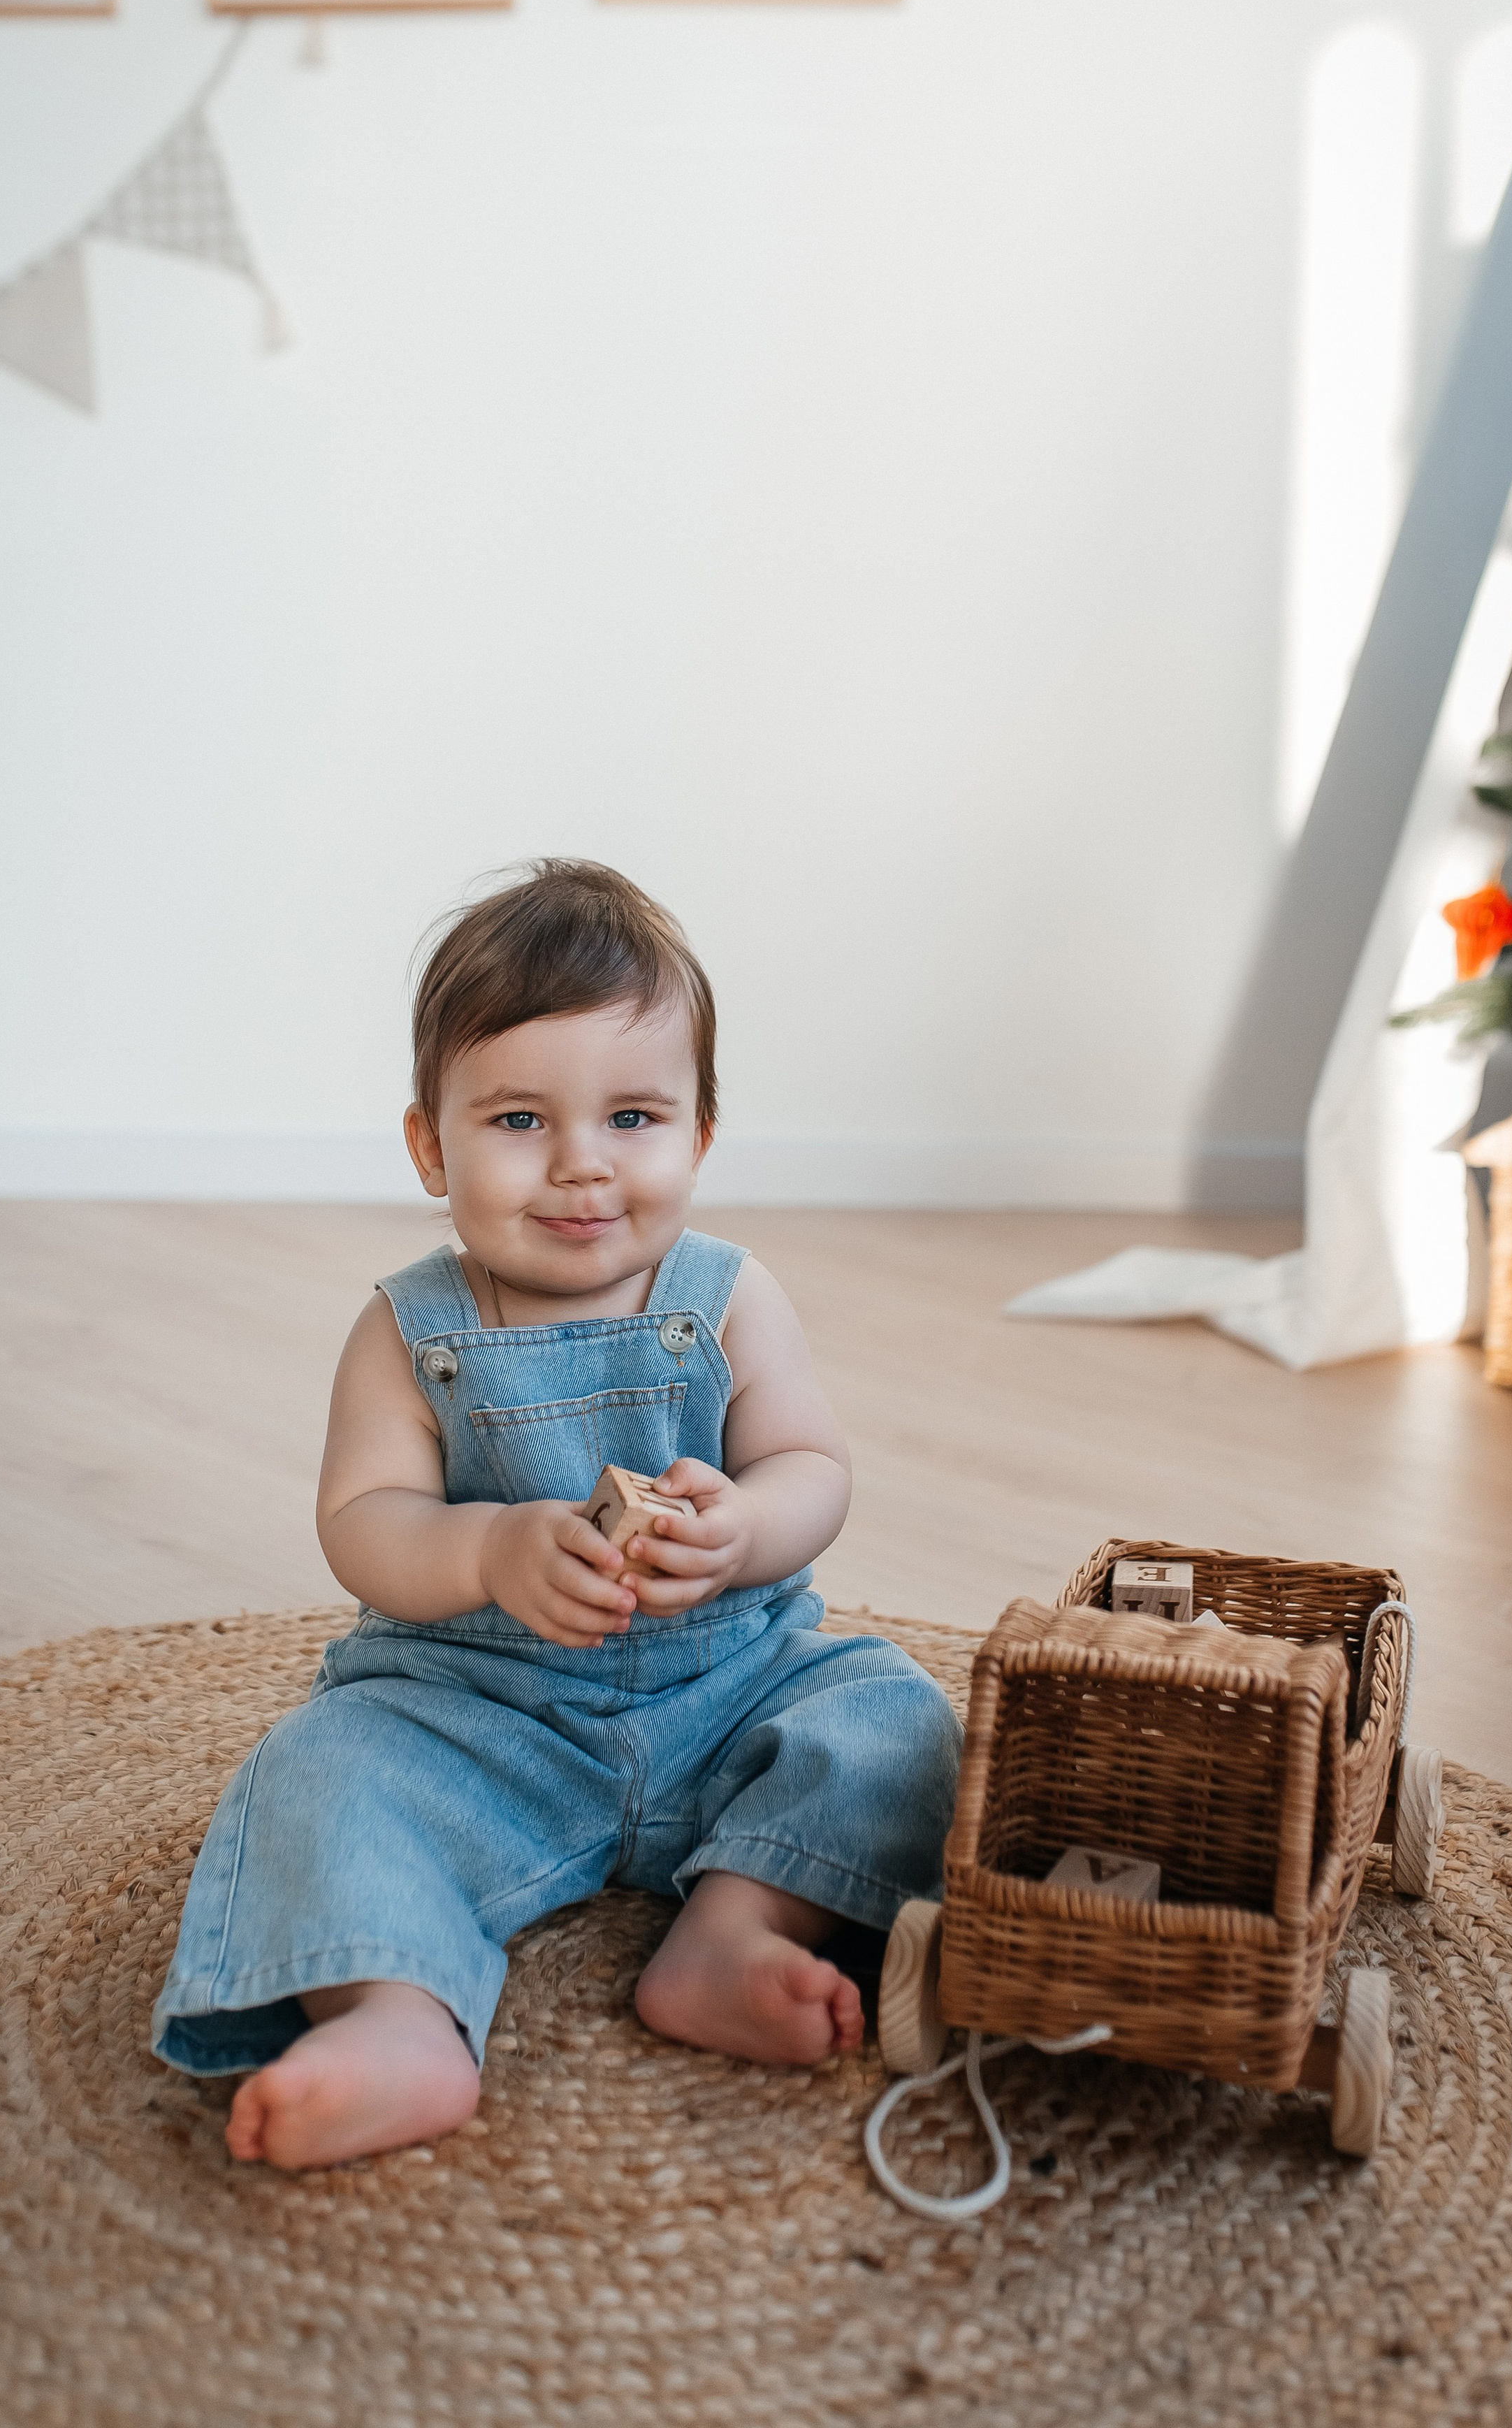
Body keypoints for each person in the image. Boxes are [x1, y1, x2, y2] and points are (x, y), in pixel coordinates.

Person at [152, 860, 963, 2172]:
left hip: (728, 1687)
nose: (583, 1166)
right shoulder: (408, 1329)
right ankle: (396, 2015)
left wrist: (746, 1529)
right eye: (521, 1120)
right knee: (316, 1778)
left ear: (701, 1133)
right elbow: (364, 1518)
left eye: (634, 1116)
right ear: (431, 1144)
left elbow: (810, 1459)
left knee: (902, 1724)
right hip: (480, 1715)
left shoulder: (731, 1294)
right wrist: (484, 1548)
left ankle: (735, 1928)